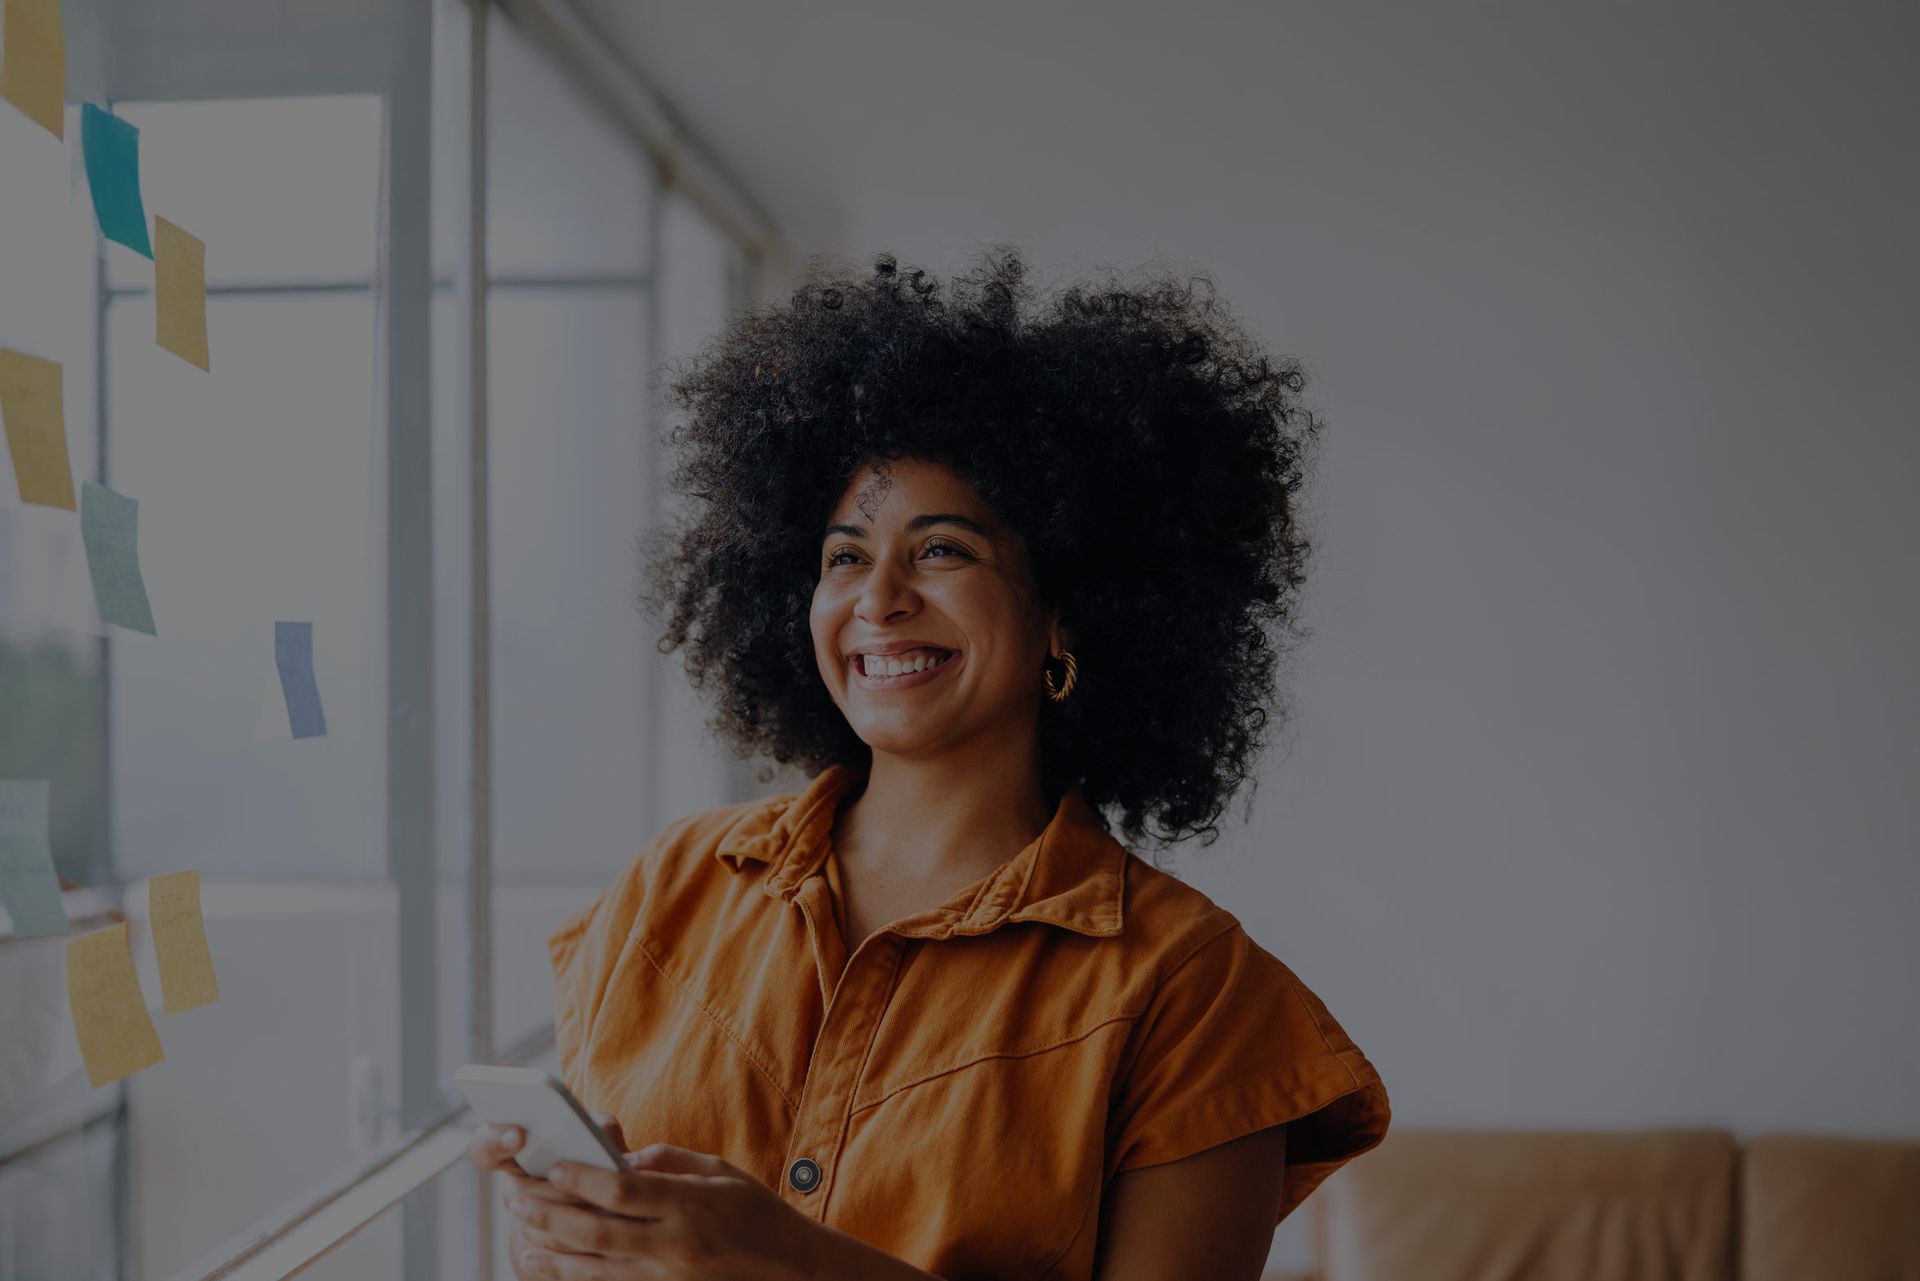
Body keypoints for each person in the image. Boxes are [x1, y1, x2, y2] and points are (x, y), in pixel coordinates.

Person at [468, 247, 1390, 1280]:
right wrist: (564, 1240)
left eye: (943, 550)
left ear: (1064, 614)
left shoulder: (1192, 991)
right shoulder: (666, 893)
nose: (879, 599)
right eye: (844, 557)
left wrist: (797, 1265)